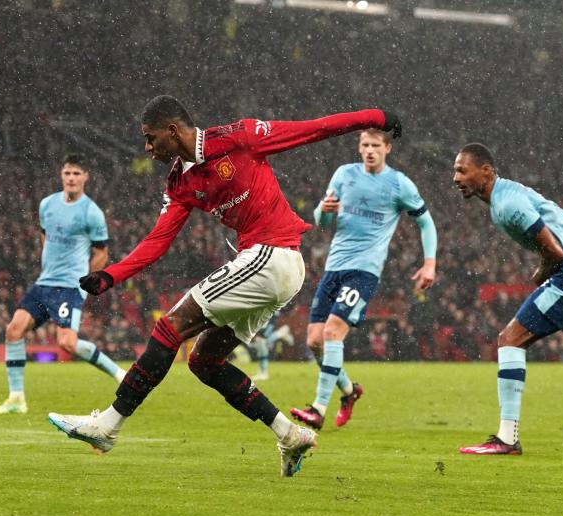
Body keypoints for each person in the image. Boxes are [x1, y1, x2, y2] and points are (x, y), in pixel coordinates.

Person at [47, 95, 402, 477]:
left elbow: (312, 128)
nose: (148, 148)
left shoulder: (241, 137)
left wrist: (375, 116)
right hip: (270, 266)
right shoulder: (180, 182)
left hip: (273, 254)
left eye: (151, 138)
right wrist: (112, 275)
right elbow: (158, 239)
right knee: (203, 362)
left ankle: (108, 425)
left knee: (170, 327)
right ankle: (289, 434)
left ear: (173, 130)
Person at [453, 143, 563, 455]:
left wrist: (539, 274)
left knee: (510, 340)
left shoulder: (508, 204)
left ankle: (507, 439)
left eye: (462, 170)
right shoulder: (506, 196)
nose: (456, 177)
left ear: (486, 171)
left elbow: (555, 252)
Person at [290, 129, 437, 430]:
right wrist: (324, 211)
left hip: (365, 270)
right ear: (359, 148)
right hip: (334, 267)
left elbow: (426, 222)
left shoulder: (399, 184)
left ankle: (318, 408)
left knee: (332, 333)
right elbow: (322, 221)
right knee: (315, 341)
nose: (369, 150)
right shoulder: (344, 174)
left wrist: (429, 264)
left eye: (375, 145)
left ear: (387, 149)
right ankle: (349, 391)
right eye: (364, 145)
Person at [0, 154, 126, 415]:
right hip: (44, 283)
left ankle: (120, 373)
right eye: (67, 173)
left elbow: (101, 253)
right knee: (14, 330)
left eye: (76, 173)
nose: (71, 178)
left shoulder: (91, 212)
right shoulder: (47, 204)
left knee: (67, 343)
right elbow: (45, 236)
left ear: (86, 177)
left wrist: (87, 281)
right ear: (61, 175)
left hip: (70, 287)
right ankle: (16, 398)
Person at [249, 314, 295, 382]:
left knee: (261, 341)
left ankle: (264, 374)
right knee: (260, 342)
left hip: (269, 316)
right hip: (264, 316)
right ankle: (280, 333)